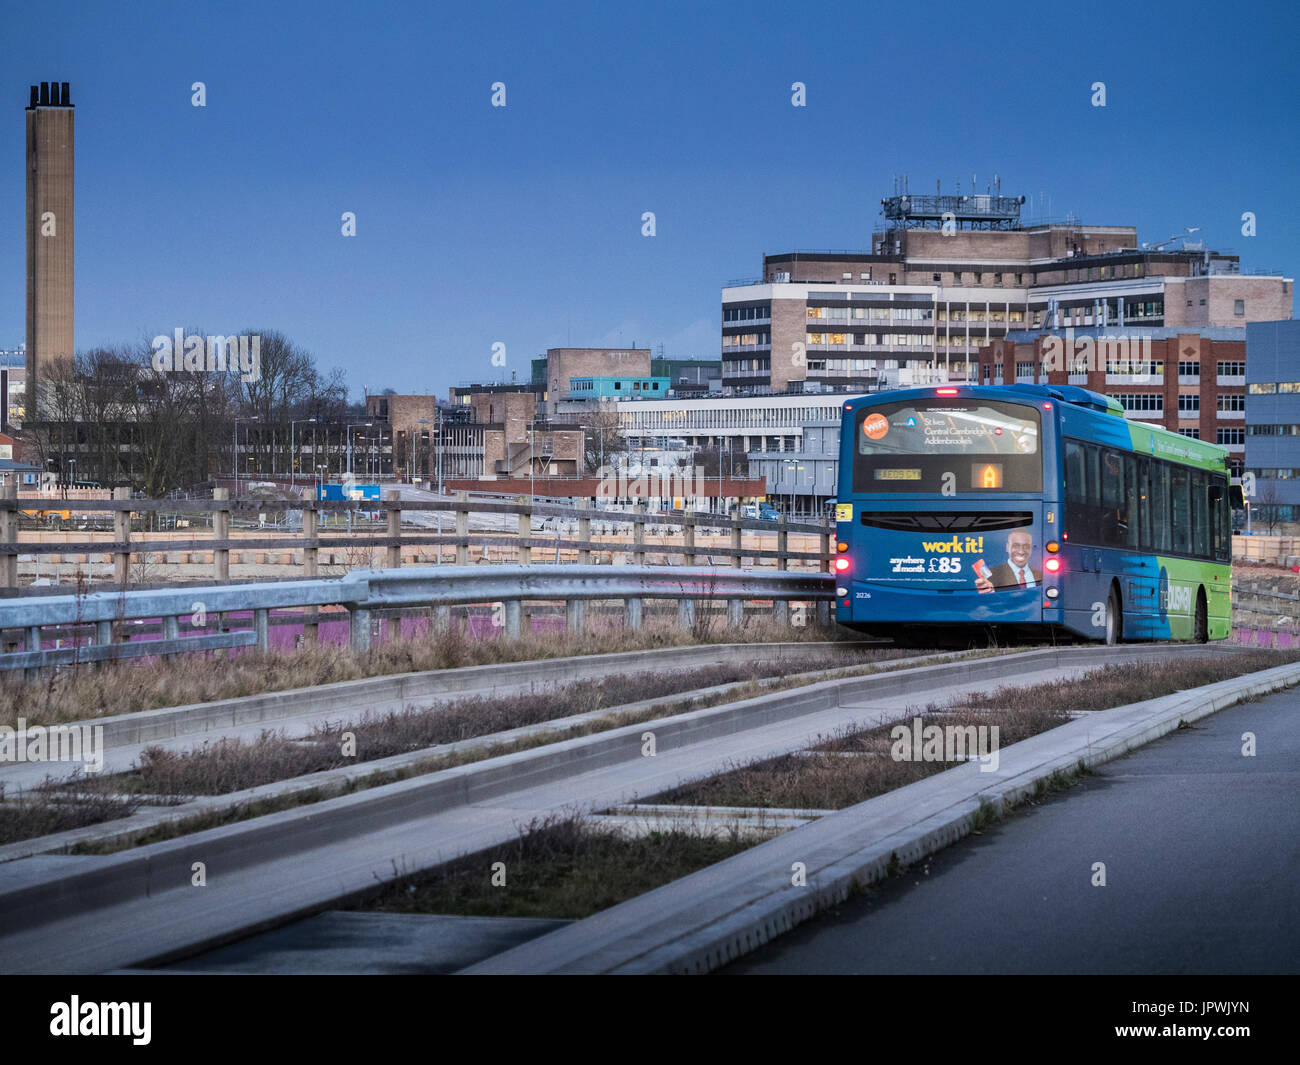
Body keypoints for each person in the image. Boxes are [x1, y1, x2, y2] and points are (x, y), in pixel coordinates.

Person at [975, 529, 1042, 593]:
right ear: (1007, 547)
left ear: (1031, 549)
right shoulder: (991, 576)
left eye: (1026, 546)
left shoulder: (1041, 575)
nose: (1021, 551)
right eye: (1016, 546)